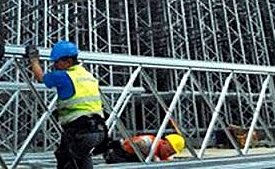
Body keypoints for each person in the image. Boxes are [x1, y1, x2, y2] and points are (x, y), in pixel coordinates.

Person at [25, 40, 106, 169]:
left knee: (66, 161)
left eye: (57, 62)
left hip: (80, 132)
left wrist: (34, 60)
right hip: (99, 130)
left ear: (68, 61)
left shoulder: (64, 76)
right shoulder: (87, 75)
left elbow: (40, 77)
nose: (55, 65)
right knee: (82, 157)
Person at [103, 133, 185, 163]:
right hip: (119, 155)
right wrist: (152, 156)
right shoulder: (150, 141)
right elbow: (139, 143)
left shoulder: (163, 156)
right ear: (165, 143)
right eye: (169, 151)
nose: (168, 154)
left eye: (171, 153)